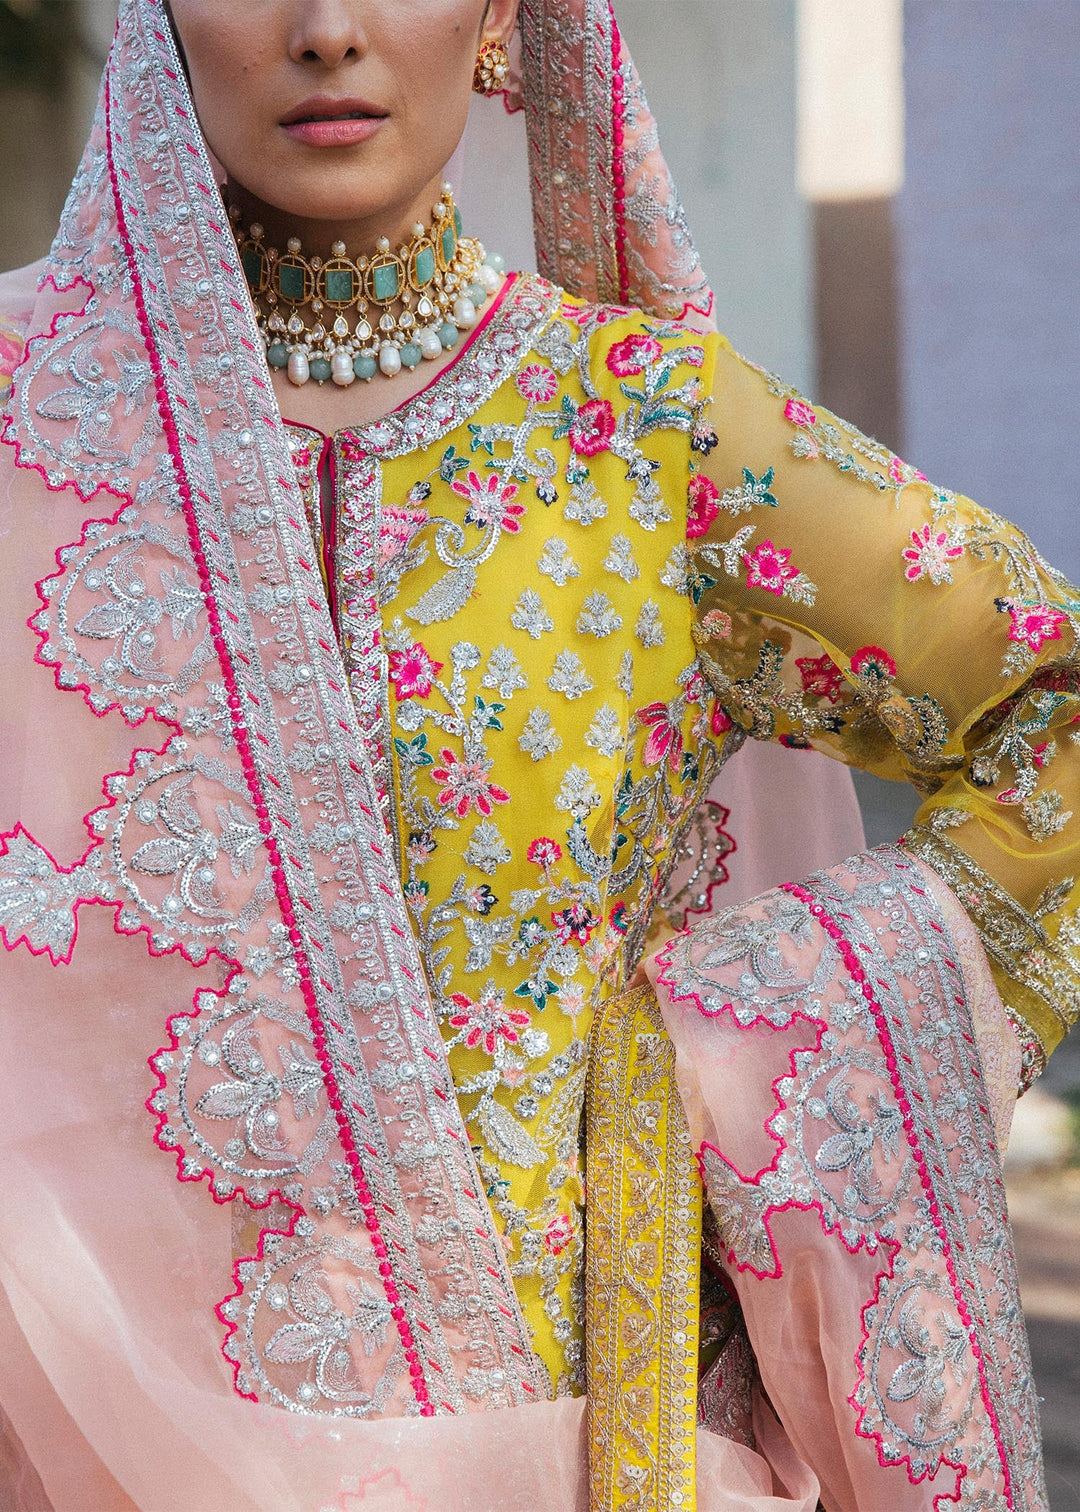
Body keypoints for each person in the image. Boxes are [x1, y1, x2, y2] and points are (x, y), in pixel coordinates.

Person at [0, 0, 1070, 1507]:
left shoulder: (646, 432)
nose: (328, 30)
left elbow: (1049, 709)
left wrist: (752, 1025)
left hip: (579, 1450)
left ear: (503, 15)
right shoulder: (24, 415)